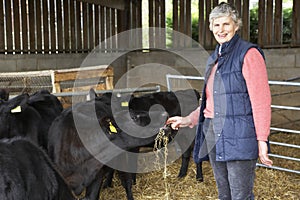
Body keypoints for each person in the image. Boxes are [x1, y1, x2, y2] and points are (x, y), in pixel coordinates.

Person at [166, 2, 273, 200]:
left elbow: (261, 101)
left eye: (226, 24)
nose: (221, 30)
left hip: (239, 135)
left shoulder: (248, 54)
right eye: (216, 25)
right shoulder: (215, 57)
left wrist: (262, 139)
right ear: (210, 27)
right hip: (213, 134)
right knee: (224, 194)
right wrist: (188, 119)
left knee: (241, 196)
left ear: (236, 25)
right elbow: (211, 103)